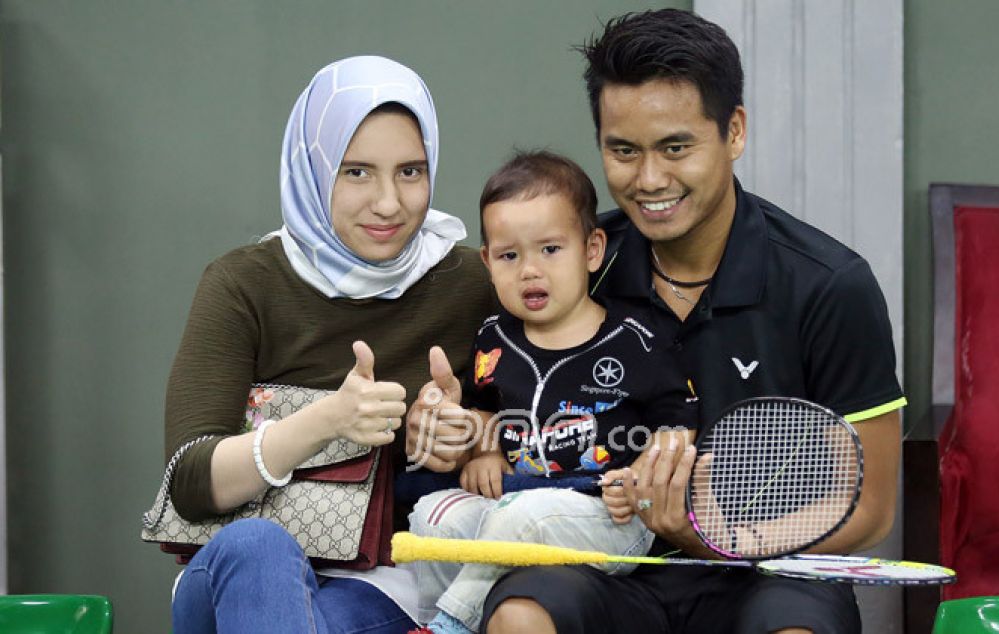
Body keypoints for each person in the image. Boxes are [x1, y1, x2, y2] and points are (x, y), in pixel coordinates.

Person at [408, 9, 906, 634]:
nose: (648, 180)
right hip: (599, 564)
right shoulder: (568, 263)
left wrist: (715, 536)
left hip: (762, 574)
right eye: (623, 150)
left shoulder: (830, 285)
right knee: (519, 616)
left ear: (735, 132)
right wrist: (464, 429)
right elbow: (501, 411)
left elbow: (869, 504)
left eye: (676, 147)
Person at [165, 55, 494, 634]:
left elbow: (549, 425)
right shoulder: (244, 283)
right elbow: (189, 481)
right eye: (356, 172)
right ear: (312, 168)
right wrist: (329, 421)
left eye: (411, 172)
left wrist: (461, 438)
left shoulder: (474, 281)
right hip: (229, 573)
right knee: (259, 547)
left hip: (380, 583)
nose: (390, 202)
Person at [405, 151, 697, 634]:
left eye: (550, 249)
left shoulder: (636, 340)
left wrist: (645, 481)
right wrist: (484, 450)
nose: (530, 270)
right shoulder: (493, 338)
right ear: (488, 262)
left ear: (591, 249)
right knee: (432, 514)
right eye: (509, 255)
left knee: (527, 515)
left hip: (609, 514)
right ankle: (441, 618)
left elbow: (679, 424)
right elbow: (484, 412)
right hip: (515, 501)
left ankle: (449, 625)